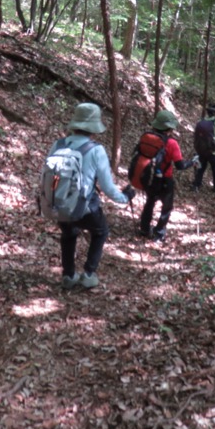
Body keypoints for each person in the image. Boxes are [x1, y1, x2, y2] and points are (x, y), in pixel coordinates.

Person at [47, 103, 135, 289]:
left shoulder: (58, 144)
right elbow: (107, 187)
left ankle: (68, 276)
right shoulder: (96, 150)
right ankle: (88, 274)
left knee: (69, 233)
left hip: (58, 204)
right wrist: (124, 198)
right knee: (101, 231)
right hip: (83, 208)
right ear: (94, 128)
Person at [137, 110, 197, 242]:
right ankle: (159, 233)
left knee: (149, 203)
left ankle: (144, 229)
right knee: (166, 207)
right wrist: (192, 162)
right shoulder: (172, 143)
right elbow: (180, 165)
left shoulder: (146, 137)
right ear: (169, 128)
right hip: (165, 179)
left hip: (149, 177)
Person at [192, 103, 215, 192]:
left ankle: (196, 185)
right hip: (213, 151)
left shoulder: (200, 121)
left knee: (200, 169)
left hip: (201, 150)